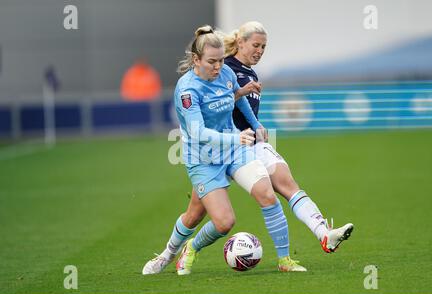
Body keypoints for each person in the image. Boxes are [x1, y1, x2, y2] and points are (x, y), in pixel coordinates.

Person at [142, 22, 353, 275]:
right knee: (222, 222)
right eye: (212, 62)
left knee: (267, 194)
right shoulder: (187, 90)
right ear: (196, 60)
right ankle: (176, 251)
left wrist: (255, 124)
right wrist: (238, 138)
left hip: (234, 150)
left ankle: (285, 260)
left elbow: (237, 100)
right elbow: (198, 133)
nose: (218, 67)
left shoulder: (226, 73)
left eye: (221, 60)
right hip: (204, 158)